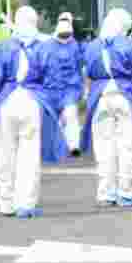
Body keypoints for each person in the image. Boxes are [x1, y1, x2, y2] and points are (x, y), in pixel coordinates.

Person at [0, 7, 68, 218]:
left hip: (6, 101)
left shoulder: (4, 47)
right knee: (29, 155)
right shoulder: (44, 47)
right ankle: (26, 204)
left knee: (5, 153)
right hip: (32, 102)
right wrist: (57, 108)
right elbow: (54, 81)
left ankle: (6, 203)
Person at [82, 8, 132, 207]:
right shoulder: (128, 44)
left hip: (100, 96)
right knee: (128, 144)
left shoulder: (92, 46)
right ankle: (127, 192)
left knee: (104, 146)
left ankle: (106, 193)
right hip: (126, 94)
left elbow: (88, 69)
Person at [42, 12, 85, 156]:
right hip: (50, 89)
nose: (65, 38)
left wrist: (80, 88)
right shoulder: (46, 46)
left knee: (71, 116)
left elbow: (80, 67)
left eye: (67, 35)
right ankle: (52, 147)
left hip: (69, 90)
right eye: (63, 35)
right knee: (51, 121)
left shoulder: (76, 46)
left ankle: (74, 146)